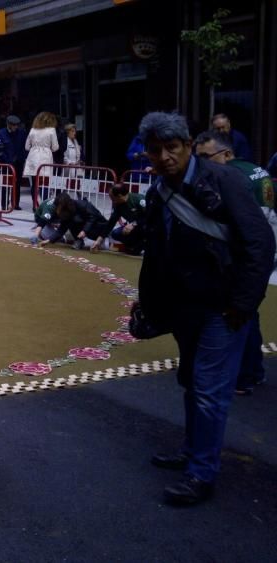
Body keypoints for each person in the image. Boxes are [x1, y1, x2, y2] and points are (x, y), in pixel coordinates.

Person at [137, 111, 274, 506]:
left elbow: (260, 245)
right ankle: (192, 451)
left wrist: (243, 304)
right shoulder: (158, 191)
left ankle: (201, 472)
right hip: (185, 306)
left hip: (223, 306)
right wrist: (150, 303)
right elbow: (158, 252)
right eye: (155, 150)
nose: (163, 156)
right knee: (191, 383)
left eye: (172, 148)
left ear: (188, 147)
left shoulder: (226, 181)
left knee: (209, 390)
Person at [193, 130, 276, 396]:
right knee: (250, 311)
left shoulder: (231, 177)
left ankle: (246, 374)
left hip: (248, 254)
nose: (202, 164)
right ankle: (254, 371)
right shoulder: (256, 170)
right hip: (263, 248)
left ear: (226, 153)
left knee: (242, 313)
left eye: (206, 157)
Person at [37, 192, 108, 250]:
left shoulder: (83, 205)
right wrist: (49, 240)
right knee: (72, 221)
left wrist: (84, 231)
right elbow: (61, 229)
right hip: (85, 230)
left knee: (75, 220)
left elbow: (93, 218)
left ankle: (101, 240)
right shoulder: (66, 214)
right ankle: (79, 241)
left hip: (99, 228)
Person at [92, 184, 146, 255]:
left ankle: (146, 245)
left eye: (112, 197)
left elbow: (151, 217)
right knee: (116, 233)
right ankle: (135, 246)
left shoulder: (139, 200)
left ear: (119, 196)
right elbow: (111, 223)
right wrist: (98, 240)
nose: (111, 200)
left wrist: (134, 224)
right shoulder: (118, 205)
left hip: (148, 227)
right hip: (135, 228)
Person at [23, 112, 60, 210]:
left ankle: (35, 205)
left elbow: (27, 147)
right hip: (45, 157)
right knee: (45, 183)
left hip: (33, 157)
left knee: (35, 183)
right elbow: (55, 147)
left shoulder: (32, 130)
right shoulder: (51, 130)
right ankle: (45, 206)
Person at [0, 116, 27, 209]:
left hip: (18, 162)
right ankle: (4, 204)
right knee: (6, 184)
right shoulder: (1, 133)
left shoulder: (22, 133)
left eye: (17, 125)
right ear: (8, 124)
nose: (16, 127)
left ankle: (15, 204)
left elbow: (24, 147)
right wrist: (5, 159)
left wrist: (22, 158)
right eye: (14, 125)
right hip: (6, 163)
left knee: (17, 183)